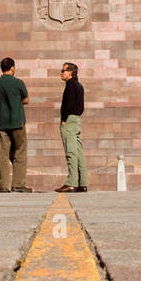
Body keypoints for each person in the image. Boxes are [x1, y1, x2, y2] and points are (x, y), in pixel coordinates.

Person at [0, 57, 32, 192]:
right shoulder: (18, 83)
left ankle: (3, 186)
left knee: (3, 154)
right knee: (20, 152)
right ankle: (18, 184)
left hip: (2, 123)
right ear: (12, 68)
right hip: (17, 121)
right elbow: (26, 100)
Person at [55, 61, 88, 192]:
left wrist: (64, 119)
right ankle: (82, 182)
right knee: (78, 152)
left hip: (69, 121)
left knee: (71, 152)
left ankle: (72, 182)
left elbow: (68, 105)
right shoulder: (79, 85)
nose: (61, 73)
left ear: (70, 72)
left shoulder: (70, 86)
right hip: (76, 120)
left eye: (63, 71)